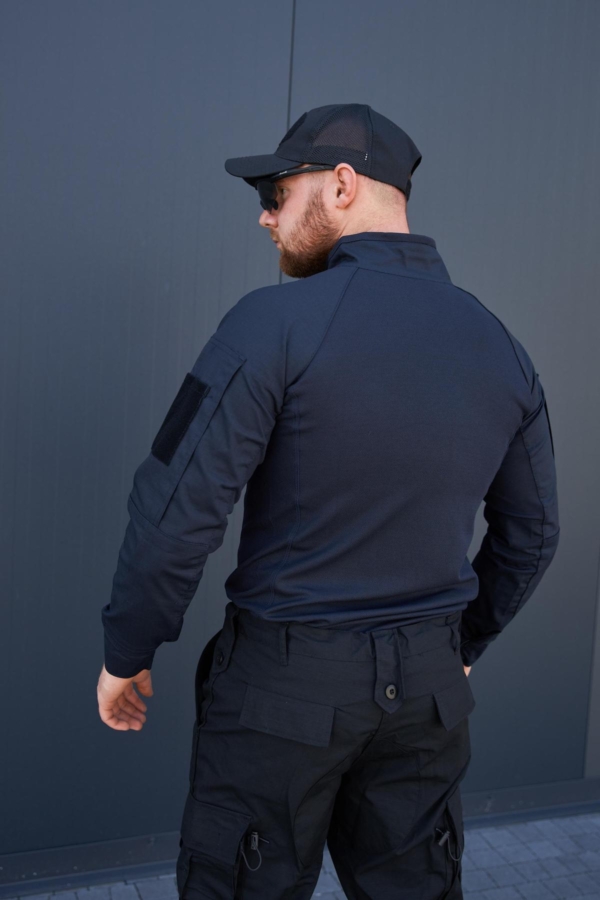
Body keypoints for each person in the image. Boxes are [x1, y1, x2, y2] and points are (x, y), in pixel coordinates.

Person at [97, 103, 560, 898]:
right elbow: (536, 532)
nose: (266, 218)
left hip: (286, 689)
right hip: (428, 693)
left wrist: (126, 653)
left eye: (276, 194)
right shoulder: (499, 344)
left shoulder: (270, 324)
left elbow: (175, 513)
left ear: (342, 185)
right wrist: (462, 644)